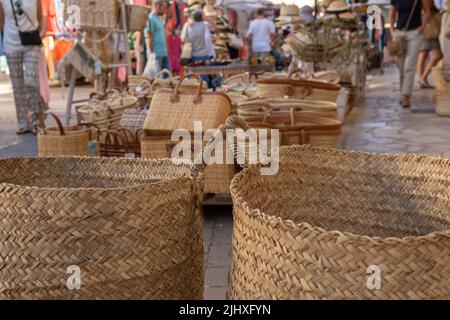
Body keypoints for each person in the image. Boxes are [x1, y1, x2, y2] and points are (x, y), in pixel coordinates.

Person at [0, 0, 48, 134]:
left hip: (31, 42)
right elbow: (2, 21)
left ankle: (36, 120)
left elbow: (40, 16)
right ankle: (23, 122)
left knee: (32, 82)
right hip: (11, 44)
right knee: (17, 86)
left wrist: (42, 31)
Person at [389, 0, 433, 109]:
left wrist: (422, 28)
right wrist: (392, 31)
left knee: (409, 66)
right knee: (401, 66)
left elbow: (427, 11)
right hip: (399, 33)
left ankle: (406, 96)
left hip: (415, 33)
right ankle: (403, 92)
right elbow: (392, 15)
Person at [417, 4, 443, 88]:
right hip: (428, 30)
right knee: (437, 55)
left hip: (425, 29)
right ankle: (423, 78)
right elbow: (428, 9)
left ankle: (422, 80)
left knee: (423, 55)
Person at [145, 0, 170, 71]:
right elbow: (149, 36)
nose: (165, 11)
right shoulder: (151, 18)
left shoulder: (158, 18)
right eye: (164, 8)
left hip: (163, 52)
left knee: (166, 78)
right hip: (156, 54)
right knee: (156, 78)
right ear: (158, 6)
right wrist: (151, 53)